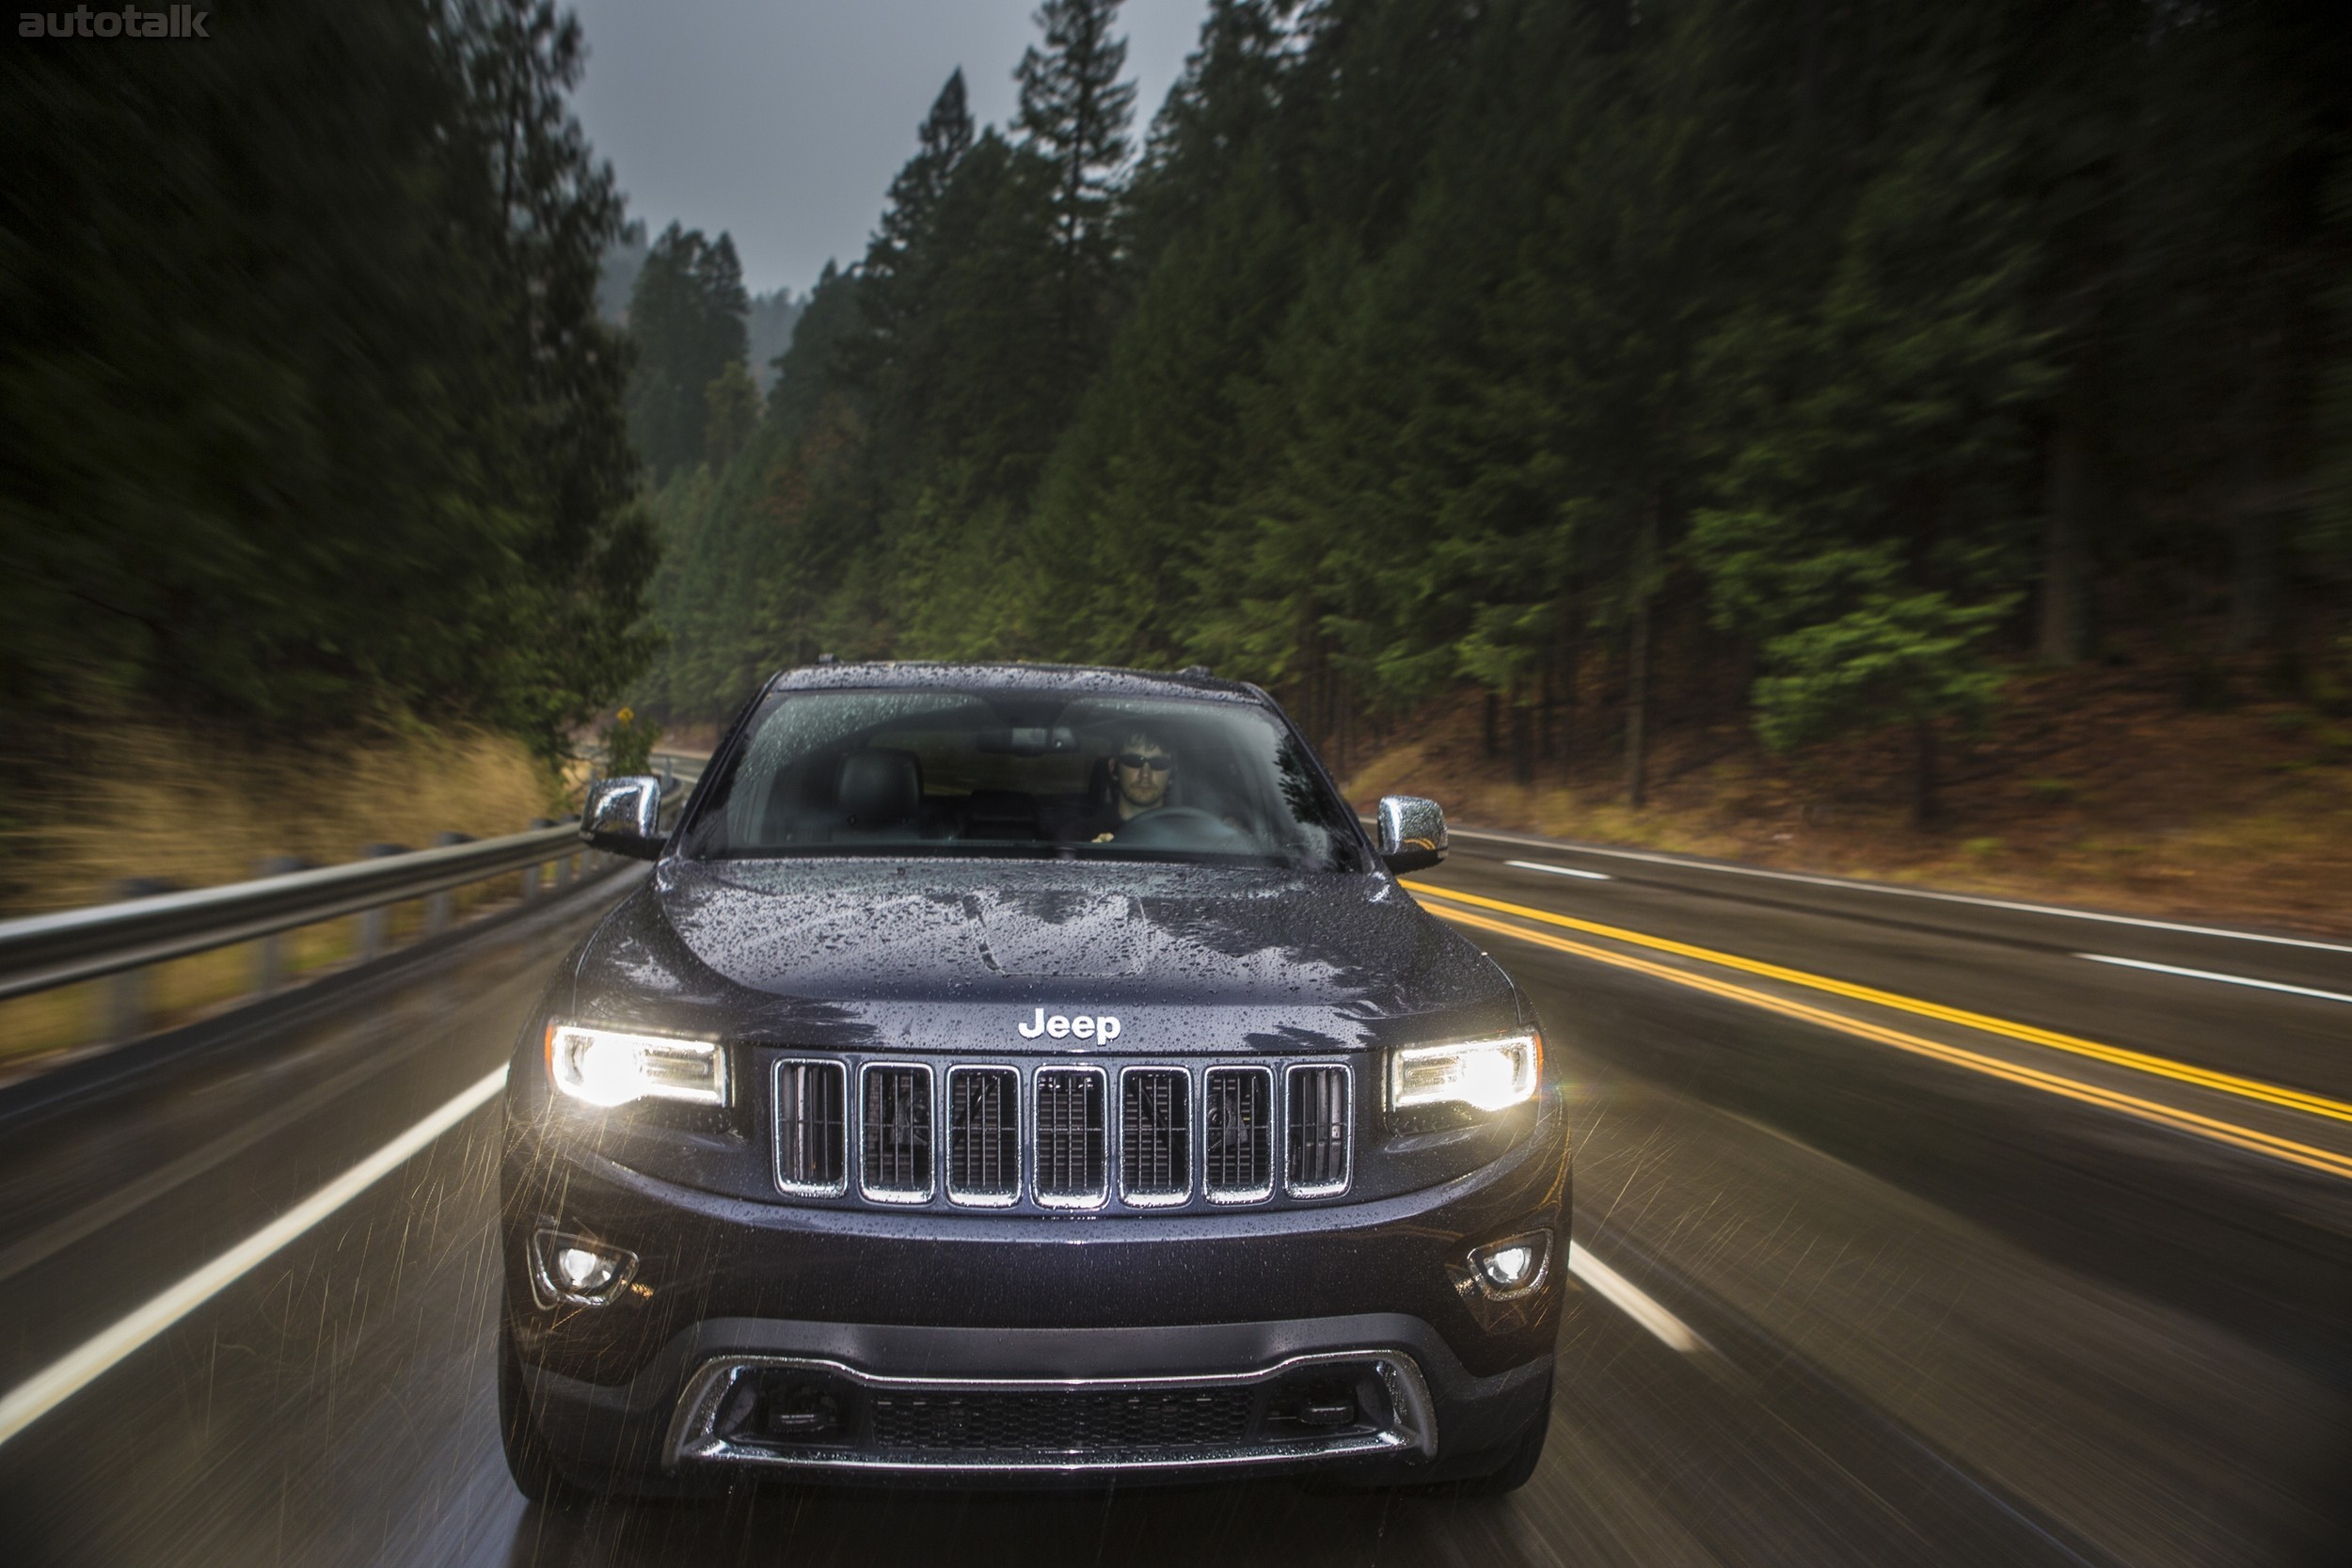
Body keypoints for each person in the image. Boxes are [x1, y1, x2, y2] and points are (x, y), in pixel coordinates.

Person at [1073, 727, 1178, 842]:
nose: (1145, 775)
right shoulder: (1081, 837)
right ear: (1113, 767)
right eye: (1134, 761)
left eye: (1159, 763)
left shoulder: (1187, 836)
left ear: (1172, 773)